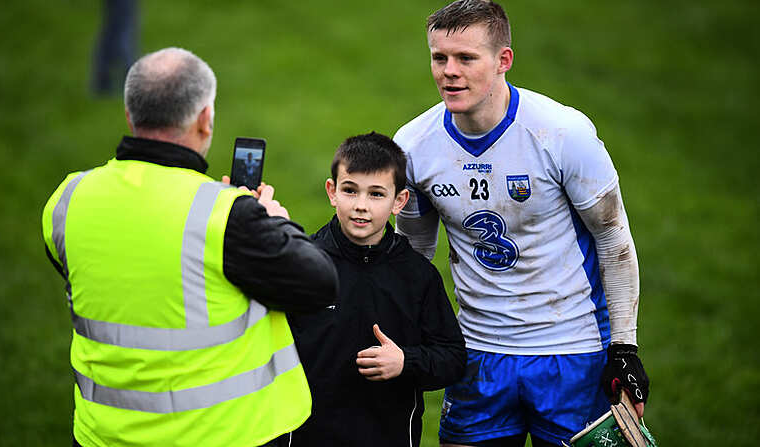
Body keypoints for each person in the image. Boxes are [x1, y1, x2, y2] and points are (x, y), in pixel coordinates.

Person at [41, 47, 339, 447]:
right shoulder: (228, 215)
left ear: (130, 116)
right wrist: (273, 220)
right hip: (223, 435)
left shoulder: (68, 199)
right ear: (205, 118)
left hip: (103, 436)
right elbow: (319, 282)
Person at [393, 1, 650, 446]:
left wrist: (625, 348)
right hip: (478, 356)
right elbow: (413, 254)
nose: (449, 72)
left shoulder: (561, 133)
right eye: (439, 57)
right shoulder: (414, 147)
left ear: (503, 60)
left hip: (572, 355)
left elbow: (613, 239)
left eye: (466, 58)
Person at [285, 132, 467, 447]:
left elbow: (452, 358)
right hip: (307, 437)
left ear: (399, 201)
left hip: (388, 435)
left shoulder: (417, 276)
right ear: (332, 191)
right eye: (350, 190)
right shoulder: (301, 265)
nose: (360, 206)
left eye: (376, 194)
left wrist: (405, 361)